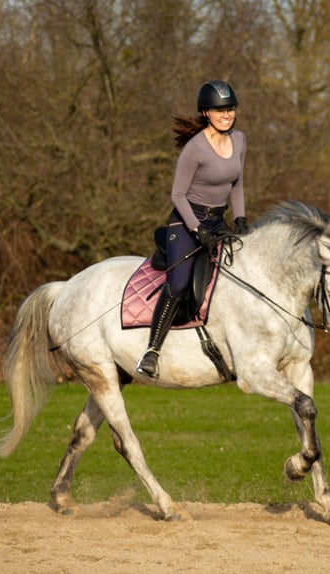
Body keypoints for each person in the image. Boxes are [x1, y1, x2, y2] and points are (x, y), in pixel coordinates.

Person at [136, 79, 250, 379]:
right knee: (180, 284)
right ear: (205, 112)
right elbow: (177, 195)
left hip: (218, 220)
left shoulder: (239, 140)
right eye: (220, 110)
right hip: (186, 223)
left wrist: (240, 219)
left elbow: (236, 183)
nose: (227, 115)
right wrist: (197, 230)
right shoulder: (195, 148)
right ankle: (152, 351)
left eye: (231, 109)